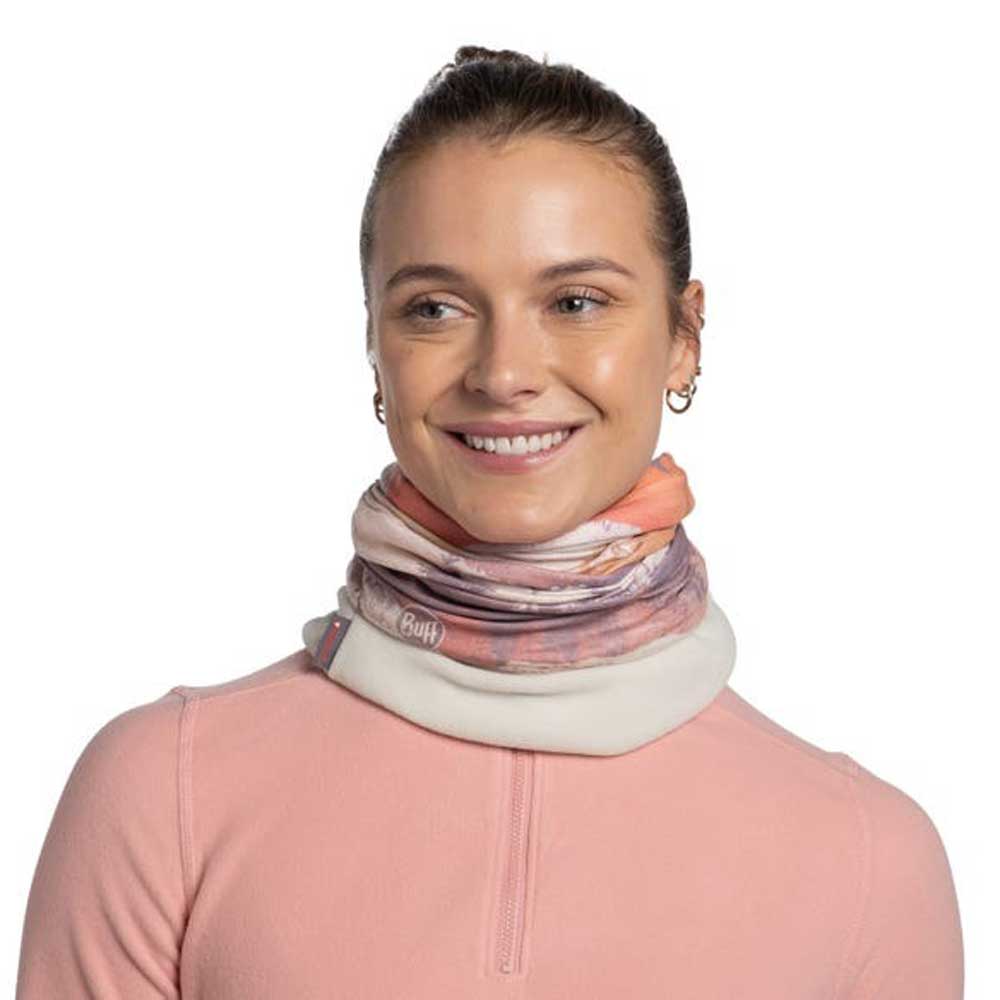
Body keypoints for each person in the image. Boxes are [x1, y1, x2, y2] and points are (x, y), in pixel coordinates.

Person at [16, 44, 964, 998]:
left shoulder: (868, 862)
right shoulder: (163, 793)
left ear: (684, 337)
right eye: (435, 308)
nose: (504, 373)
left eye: (576, 301)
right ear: (375, 344)